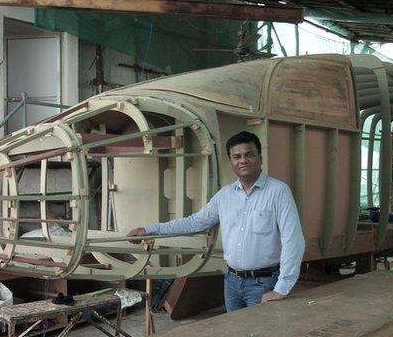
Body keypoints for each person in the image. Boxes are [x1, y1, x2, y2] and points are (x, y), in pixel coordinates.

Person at [128, 131, 305, 311]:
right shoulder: (225, 195)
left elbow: (293, 241)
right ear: (231, 162)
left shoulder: (278, 192)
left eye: (248, 154)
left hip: (263, 284)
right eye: (237, 157)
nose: (242, 160)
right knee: (234, 335)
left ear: (260, 157)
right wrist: (150, 229)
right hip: (232, 283)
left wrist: (282, 288)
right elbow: (195, 222)